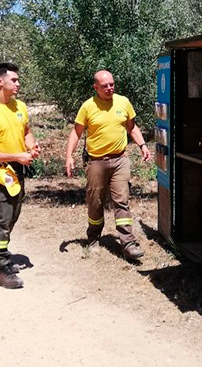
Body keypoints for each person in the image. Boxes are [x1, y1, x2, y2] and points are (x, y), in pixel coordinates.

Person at [64, 70, 151, 261]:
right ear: (96, 87)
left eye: (112, 84)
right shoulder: (88, 106)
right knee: (96, 202)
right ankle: (94, 237)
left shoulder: (123, 102)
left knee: (122, 200)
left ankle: (128, 243)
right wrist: (69, 156)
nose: (110, 88)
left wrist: (142, 145)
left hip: (120, 159)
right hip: (96, 162)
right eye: (105, 86)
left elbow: (132, 127)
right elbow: (76, 132)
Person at [0, 62, 40, 289]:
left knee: (14, 213)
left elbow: (27, 132)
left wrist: (31, 147)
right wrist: (18, 155)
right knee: (3, 217)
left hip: (17, 167)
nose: (18, 84)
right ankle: (0, 269)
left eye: (18, 80)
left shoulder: (20, 106)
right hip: (0, 169)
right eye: (14, 80)